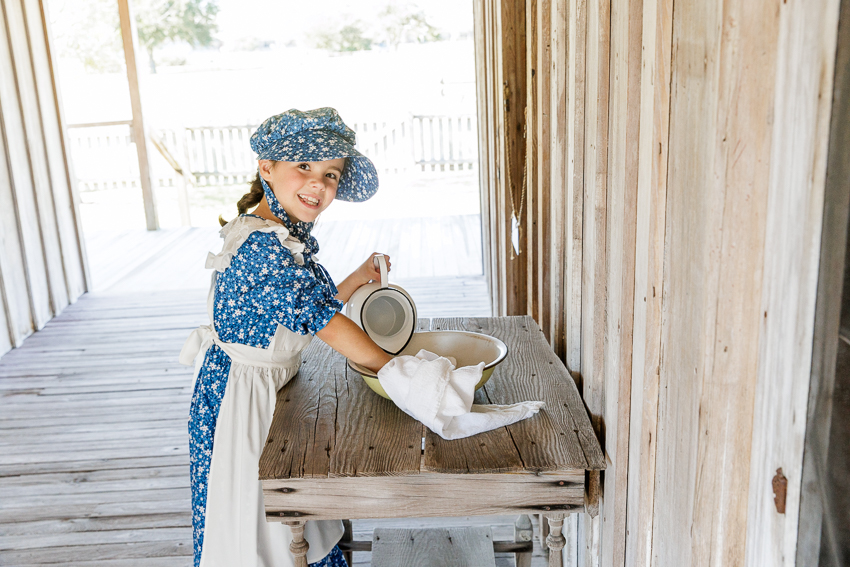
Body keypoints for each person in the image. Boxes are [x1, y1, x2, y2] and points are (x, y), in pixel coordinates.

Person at [179, 107, 394, 567]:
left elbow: (291, 315)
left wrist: (356, 278)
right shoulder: (264, 250)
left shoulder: (268, 231)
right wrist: (405, 372)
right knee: (263, 535)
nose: (318, 183)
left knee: (279, 524)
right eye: (304, 166)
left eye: (331, 174)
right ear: (267, 168)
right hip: (243, 404)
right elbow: (329, 328)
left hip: (247, 386)